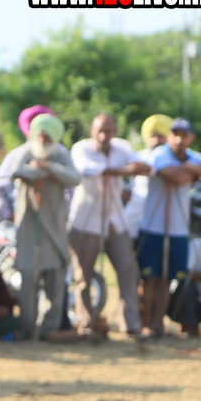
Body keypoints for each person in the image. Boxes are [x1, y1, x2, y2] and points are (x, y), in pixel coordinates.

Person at [138, 118, 201, 337]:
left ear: (191, 138)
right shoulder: (159, 154)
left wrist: (189, 166)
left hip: (178, 229)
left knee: (167, 279)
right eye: (175, 134)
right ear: (169, 135)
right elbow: (176, 178)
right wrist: (193, 173)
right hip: (152, 227)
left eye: (183, 135)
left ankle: (158, 324)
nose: (178, 139)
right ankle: (145, 323)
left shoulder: (192, 157)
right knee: (149, 278)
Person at [67, 113, 150, 337]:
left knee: (128, 270)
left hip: (115, 219)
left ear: (115, 132)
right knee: (83, 276)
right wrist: (124, 170)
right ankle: (87, 323)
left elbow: (141, 165)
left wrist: (136, 167)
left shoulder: (122, 148)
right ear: (92, 130)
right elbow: (88, 169)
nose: (104, 136)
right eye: (100, 131)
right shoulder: (80, 148)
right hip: (86, 220)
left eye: (108, 131)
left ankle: (131, 324)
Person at [9, 113, 81, 341]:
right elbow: (16, 171)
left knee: (55, 279)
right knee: (28, 277)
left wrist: (48, 167)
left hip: (55, 229)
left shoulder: (61, 155)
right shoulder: (25, 152)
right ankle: (28, 330)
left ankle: (49, 331)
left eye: (47, 135)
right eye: (39, 134)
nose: (42, 139)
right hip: (29, 228)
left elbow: (75, 178)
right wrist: (39, 172)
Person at [0, 104, 55, 223]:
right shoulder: (16, 155)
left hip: (53, 222)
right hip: (23, 221)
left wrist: (65, 215)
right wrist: (8, 215)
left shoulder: (60, 154)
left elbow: (72, 187)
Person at [123, 114, 170, 237]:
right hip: (133, 219)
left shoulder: (173, 161)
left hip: (159, 223)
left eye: (161, 136)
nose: (156, 141)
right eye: (153, 136)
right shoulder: (138, 157)